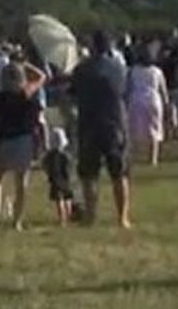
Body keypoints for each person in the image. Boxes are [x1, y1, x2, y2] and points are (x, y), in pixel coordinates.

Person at [71, 31, 131, 229]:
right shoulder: (119, 68)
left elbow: (72, 94)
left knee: (89, 174)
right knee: (119, 172)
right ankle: (122, 217)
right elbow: (124, 92)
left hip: (89, 123)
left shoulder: (82, 69)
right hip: (114, 121)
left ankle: (90, 215)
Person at [0, 58, 46, 231]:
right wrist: (25, 64)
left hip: (4, 139)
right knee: (21, 183)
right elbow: (41, 77)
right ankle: (17, 221)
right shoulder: (25, 95)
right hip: (23, 140)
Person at [126, 44, 169, 166]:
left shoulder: (133, 71)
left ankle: (133, 157)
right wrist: (166, 102)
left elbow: (128, 88)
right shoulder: (157, 71)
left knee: (134, 129)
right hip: (153, 100)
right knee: (155, 129)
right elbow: (163, 89)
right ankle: (153, 159)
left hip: (136, 99)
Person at [43, 127, 74, 228]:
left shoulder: (49, 156)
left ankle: (62, 219)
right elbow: (69, 167)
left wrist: (48, 173)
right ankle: (68, 216)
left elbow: (45, 165)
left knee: (59, 199)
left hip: (55, 179)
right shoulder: (66, 155)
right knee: (68, 198)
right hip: (66, 179)